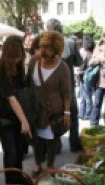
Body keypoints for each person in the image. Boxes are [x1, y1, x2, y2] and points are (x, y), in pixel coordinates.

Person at [27, 31, 72, 176]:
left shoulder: (62, 67)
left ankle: (50, 164)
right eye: (43, 48)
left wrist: (66, 112)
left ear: (56, 50)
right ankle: (37, 163)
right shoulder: (34, 61)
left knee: (51, 138)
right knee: (36, 138)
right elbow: (27, 83)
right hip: (35, 108)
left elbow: (66, 92)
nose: (44, 53)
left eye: (48, 49)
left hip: (52, 110)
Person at [0, 36, 32, 185]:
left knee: (19, 149)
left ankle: (18, 178)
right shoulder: (0, 72)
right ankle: (11, 183)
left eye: (19, 56)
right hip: (2, 117)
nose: (17, 60)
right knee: (11, 151)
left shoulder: (20, 68)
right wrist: (25, 122)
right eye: (14, 57)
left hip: (16, 115)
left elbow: (23, 91)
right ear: (7, 54)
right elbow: (12, 98)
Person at [46, 18, 82, 152]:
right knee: (72, 115)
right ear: (61, 28)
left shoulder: (45, 45)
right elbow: (79, 62)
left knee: (55, 117)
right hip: (68, 88)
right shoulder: (71, 43)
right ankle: (74, 144)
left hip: (53, 89)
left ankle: (56, 146)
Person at [78, 36, 95, 120]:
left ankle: (86, 114)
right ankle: (83, 113)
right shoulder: (92, 53)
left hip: (85, 77)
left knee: (86, 97)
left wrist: (81, 72)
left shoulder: (83, 53)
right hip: (87, 78)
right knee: (85, 96)